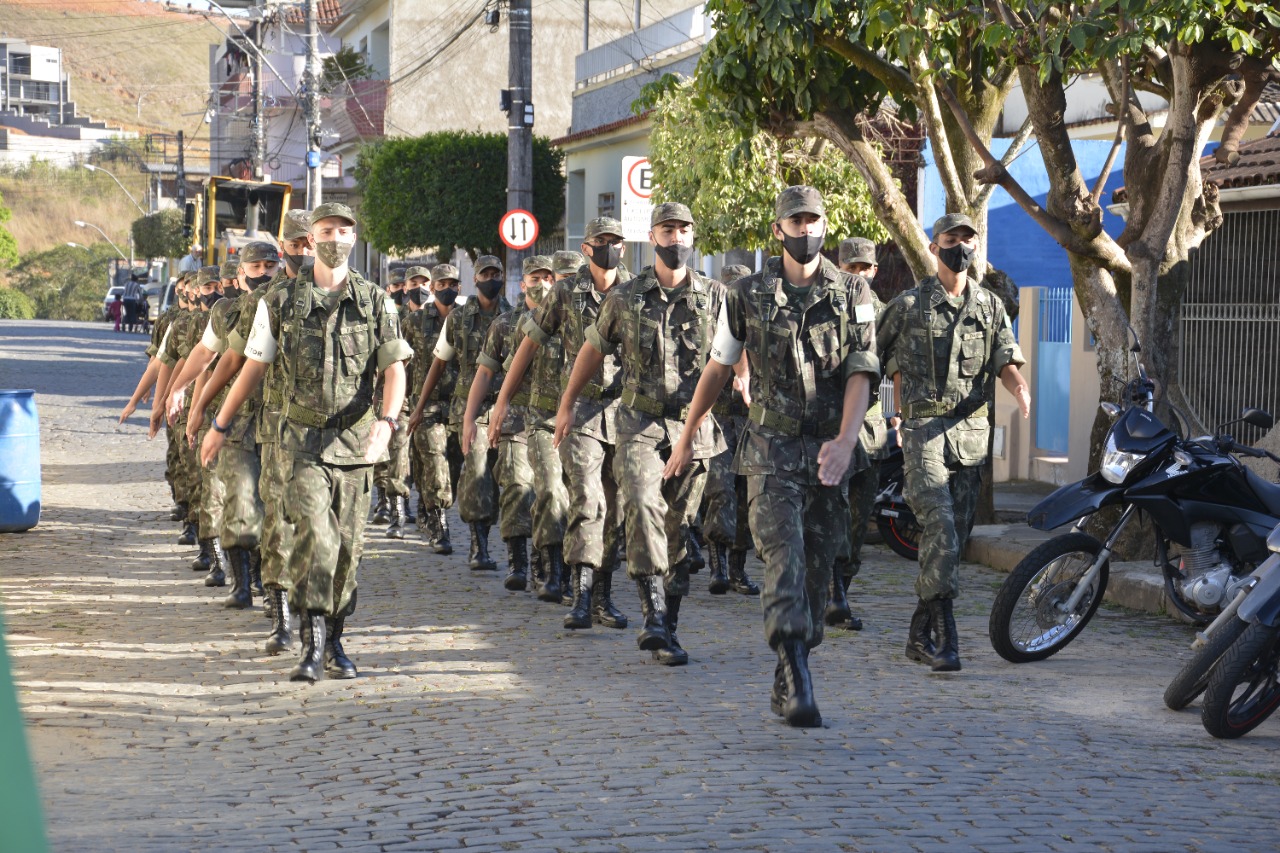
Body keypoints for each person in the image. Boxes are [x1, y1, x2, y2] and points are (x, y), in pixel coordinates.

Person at [665, 186, 879, 727]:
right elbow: (718, 368)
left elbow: (861, 373)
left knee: (816, 569)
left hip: (830, 452)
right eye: (796, 221)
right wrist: (689, 433)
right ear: (778, 230)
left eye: (814, 220)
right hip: (769, 450)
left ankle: (795, 661)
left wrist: (848, 439)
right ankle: (794, 668)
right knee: (783, 556)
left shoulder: (853, 293)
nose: (806, 230)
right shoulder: (747, 295)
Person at [202, 202, 412, 682]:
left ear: (353, 237)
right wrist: (218, 425)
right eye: (324, 230)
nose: (333, 237)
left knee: (347, 551)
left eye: (342, 230)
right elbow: (252, 367)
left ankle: (336, 639)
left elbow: (394, 369)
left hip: (357, 445)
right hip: (299, 445)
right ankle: (312, 643)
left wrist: (387, 421)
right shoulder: (280, 301)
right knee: (316, 537)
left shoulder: (377, 300)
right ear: (310, 239)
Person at [557, 202, 723, 666]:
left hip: (695, 428)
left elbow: (735, 349)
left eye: (684, 231)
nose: (676, 239)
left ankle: (668, 626)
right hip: (639, 423)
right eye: (667, 231)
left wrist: (747, 378)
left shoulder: (716, 296)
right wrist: (568, 402)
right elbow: (591, 350)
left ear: (693, 237)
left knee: (678, 528)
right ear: (653, 237)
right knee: (639, 503)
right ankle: (651, 610)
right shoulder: (625, 297)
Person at [876, 212, 1030, 673]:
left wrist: (1020, 387)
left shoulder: (990, 306)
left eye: (967, 239)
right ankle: (945, 636)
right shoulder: (906, 306)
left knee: (953, 539)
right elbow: (871, 356)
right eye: (951, 238)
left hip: (971, 437)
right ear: (933, 246)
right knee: (940, 524)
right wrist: (885, 413)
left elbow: (1005, 358)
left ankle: (918, 631)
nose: (959, 246)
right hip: (922, 431)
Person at [490, 219, 632, 614]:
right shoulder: (566, 293)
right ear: (587, 248)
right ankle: (581, 593)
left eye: (616, 242)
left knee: (615, 505)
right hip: (579, 408)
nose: (610, 248)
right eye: (602, 242)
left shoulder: (637, 290)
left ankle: (603, 594)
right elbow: (528, 345)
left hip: (624, 412)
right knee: (587, 497)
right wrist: (502, 401)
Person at [409, 257, 510, 571]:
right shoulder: (458, 319)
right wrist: (417, 406)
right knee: (474, 468)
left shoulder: (514, 316)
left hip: (503, 408)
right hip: (463, 408)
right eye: (485, 275)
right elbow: (437, 364)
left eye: (496, 274)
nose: (490, 280)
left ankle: (483, 530)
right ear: (476, 279)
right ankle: (477, 544)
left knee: (490, 475)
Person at [463, 257, 544, 590]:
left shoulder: (571, 322)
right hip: (513, 422)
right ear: (522, 284)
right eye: (534, 278)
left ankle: (546, 561)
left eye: (547, 277)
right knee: (516, 487)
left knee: (550, 492)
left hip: (554, 422)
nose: (542, 284)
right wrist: (470, 419)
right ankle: (517, 559)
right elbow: (484, 372)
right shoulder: (505, 324)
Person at [826, 236, 889, 631]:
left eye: (865, 268)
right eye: (852, 268)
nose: (859, 275)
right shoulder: (826, 307)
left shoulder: (886, 313)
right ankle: (833, 593)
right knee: (833, 509)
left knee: (859, 515)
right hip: (834, 426)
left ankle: (841, 586)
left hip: (872, 431)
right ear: (839, 268)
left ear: (875, 271)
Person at [697, 261, 760, 598]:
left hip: (750, 420)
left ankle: (738, 569)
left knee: (745, 495)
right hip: (719, 417)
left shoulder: (760, 320)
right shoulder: (711, 324)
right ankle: (717, 566)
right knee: (719, 490)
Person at [405, 264, 463, 555]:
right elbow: (399, 361)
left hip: (458, 405)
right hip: (424, 404)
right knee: (434, 462)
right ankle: (440, 525)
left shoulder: (465, 320)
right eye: (441, 284)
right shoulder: (415, 321)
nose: (447, 288)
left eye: (452, 283)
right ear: (433, 288)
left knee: (450, 466)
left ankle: (427, 503)